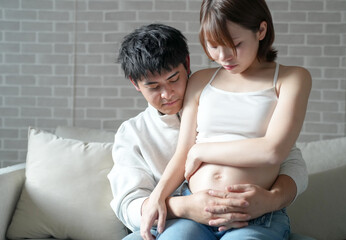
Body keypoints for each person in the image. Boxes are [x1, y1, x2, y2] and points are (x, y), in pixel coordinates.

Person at [108, 23, 308, 240]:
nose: (167, 94)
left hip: (252, 216)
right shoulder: (133, 133)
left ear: (187, 64)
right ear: (135, 84)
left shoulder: (226, 102)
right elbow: (128, 206)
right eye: (153, 87)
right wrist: (185, 206)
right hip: (183, 221)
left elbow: (287, 159)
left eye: (174, 79)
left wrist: (272, 199)